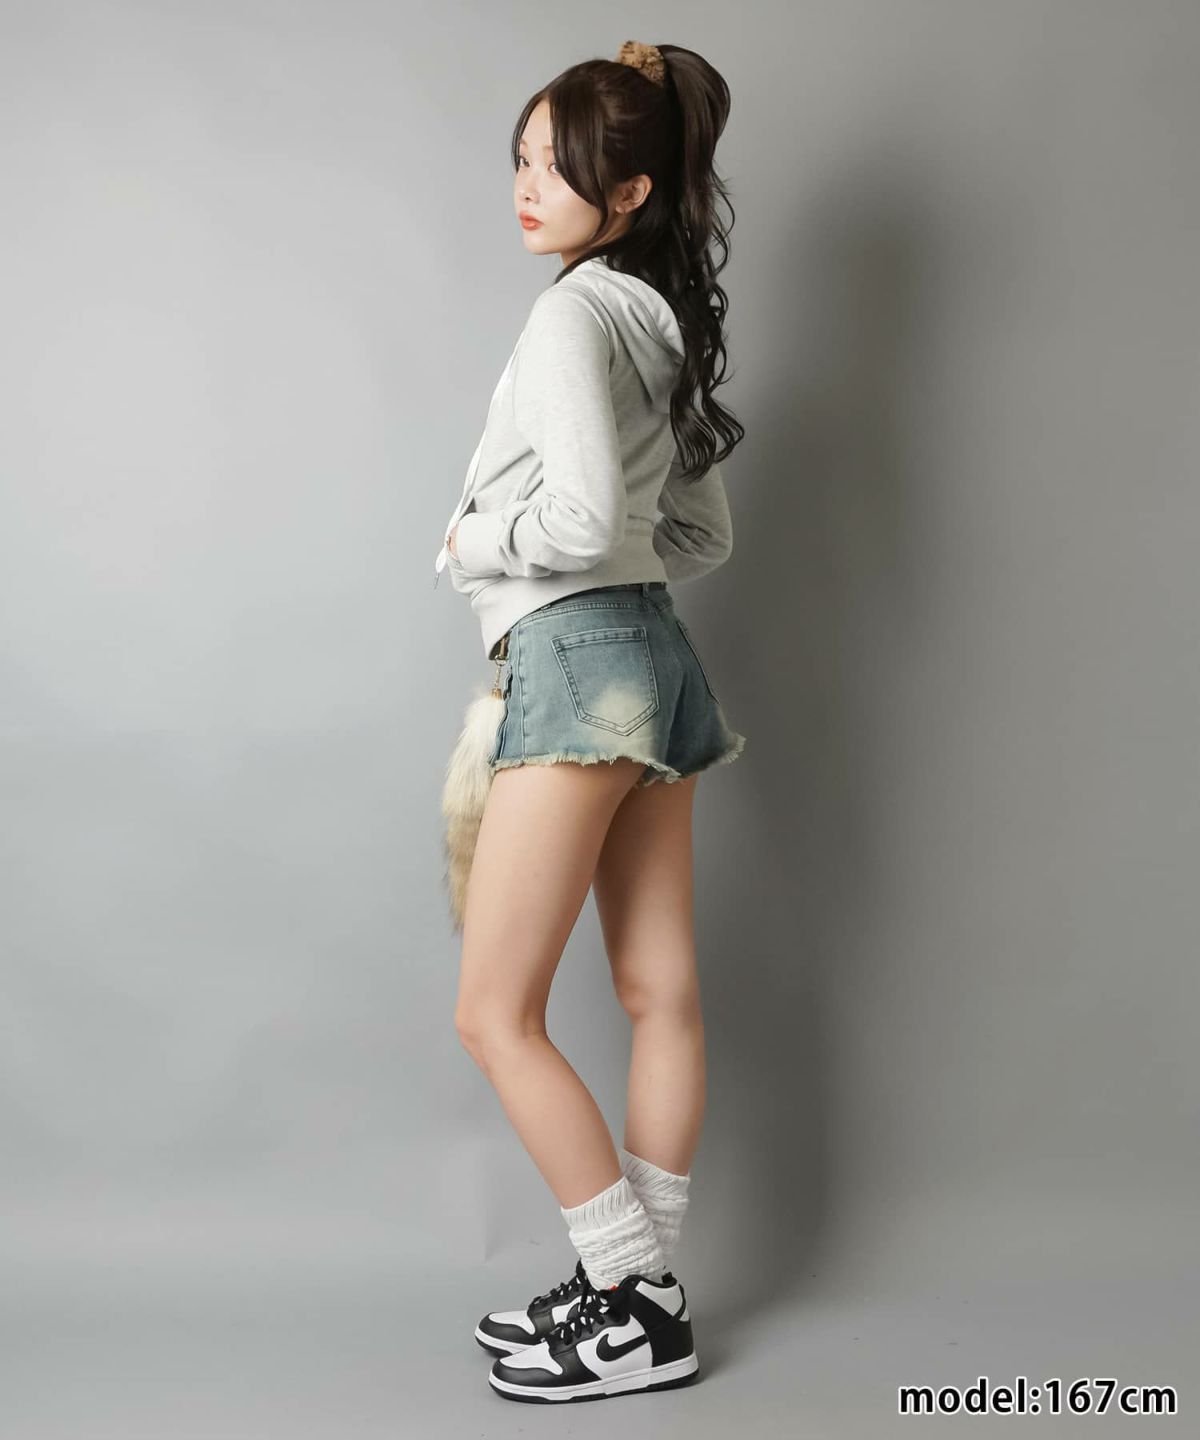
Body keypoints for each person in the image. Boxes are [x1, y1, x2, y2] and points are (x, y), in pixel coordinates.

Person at [435, 39, 747, 1403]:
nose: (524, 186)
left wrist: (471, 540)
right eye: (518, 157)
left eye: (552, 167)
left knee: (494, 1013)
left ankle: (633, 1303)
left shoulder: (572, 318)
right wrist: (606, 564)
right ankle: (639, 1298)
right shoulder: (658, 319)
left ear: (626, 193)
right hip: (658, 658)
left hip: (576, 662)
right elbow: (699, 536)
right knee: (658, 992)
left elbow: (573, 519)